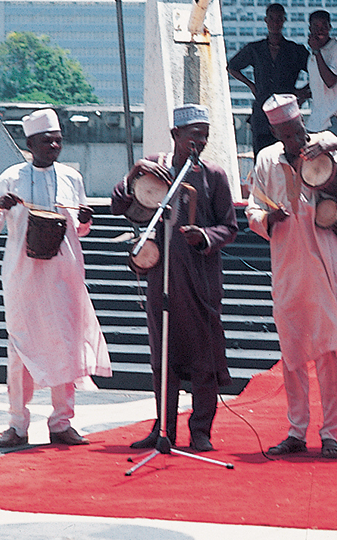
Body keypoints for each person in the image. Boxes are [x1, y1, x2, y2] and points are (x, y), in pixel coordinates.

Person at [247, 93, 337, 459]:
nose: (295, 140)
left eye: (298, 131)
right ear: (275, 132)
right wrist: (268, 219)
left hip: (324, 264)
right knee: (292, 353)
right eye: (286, 134)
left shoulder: (324, 148)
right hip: (287, 265)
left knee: (331, 353)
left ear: (303, 123)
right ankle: (296, 430)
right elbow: (254, 207)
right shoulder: (266, 159)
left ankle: (331, 433)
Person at [0, 108, 111, 448]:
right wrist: (0, 206)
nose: (54, 146)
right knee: (20, 349)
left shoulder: (72, 178)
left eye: (57, 140)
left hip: (62, 275)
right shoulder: (11, 176)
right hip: (23, 276)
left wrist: (85, 219)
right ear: (30, 143)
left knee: (63, 346)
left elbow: (79, 231)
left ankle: (61, 423)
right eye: (46, 141)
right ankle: (16, 424)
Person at [112, 104, 238, 453]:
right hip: (160, 279)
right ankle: (163, 429)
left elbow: (229, 227)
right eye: (194, 134)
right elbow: (117, 204)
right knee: (162, 358)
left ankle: (200, 430)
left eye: (205, 135)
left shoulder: (214, 175)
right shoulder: (156, 167)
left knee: (203, 358)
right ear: (175, 136)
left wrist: (205, 236)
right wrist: (136, 169)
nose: (200, 141)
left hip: (200, 280)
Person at [227, 3, 310, 154]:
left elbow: (316, 73)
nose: (275, 23)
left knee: (288, 155)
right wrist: (251, 85)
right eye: (271, 18)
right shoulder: (255, 49)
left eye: (279, 19)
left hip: (287, 113)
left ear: (284, 20)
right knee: (261, 157)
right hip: (262, 112)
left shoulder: (295, 51)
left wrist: (300, 93)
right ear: (266, 20)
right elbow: (232, 67)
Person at [305, 10, 337, 145]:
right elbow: (316, 83)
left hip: (335, 118)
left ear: (329, 28)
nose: (320, 31)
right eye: (316, 27)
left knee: (335, 163)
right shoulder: (312, 56)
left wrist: (317, 51)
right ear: (310, 29)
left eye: (324, 27)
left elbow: (330, 81)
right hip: (316, 120)